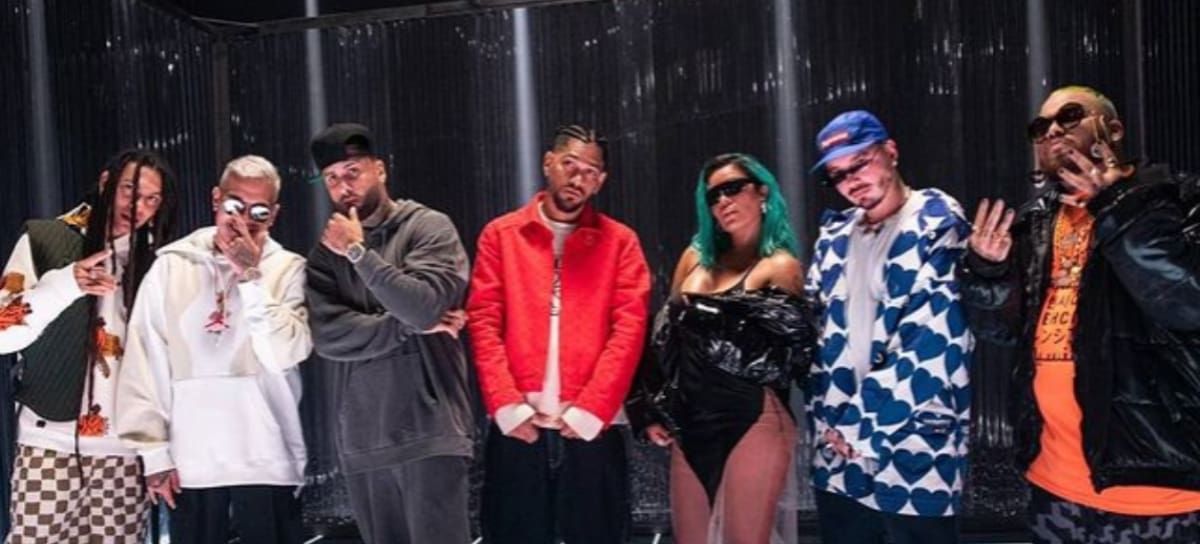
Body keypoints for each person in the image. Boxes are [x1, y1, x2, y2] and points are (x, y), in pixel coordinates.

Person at [960, 85, 1200, 542]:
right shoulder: (1036, 221)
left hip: (1155, 491)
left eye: (1070, 116)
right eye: (1041, 127)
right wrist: (988, 274)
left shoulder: (1177, 199)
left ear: (1114, 129)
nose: (1052, 131)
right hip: (1054, 488)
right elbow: (1004, 333)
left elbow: (1188, 303)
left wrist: (1115, 206)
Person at [466, 124, 651, 544]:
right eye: (569, 164)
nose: (578, 177)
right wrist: (506, 405)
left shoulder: (620, 242)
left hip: (593, 426)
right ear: (548, 162)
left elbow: (629, 330)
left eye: (590, 171)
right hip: (518, 422)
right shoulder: (501, 235)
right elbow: (484, 321)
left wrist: (592, 410)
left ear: (600, 181)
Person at [116, 155, 310, 544]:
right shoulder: (170, 266)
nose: (244, 220)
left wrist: (251, 277)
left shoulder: (289, 268)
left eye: (259, 211)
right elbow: (144, 360)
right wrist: (153, 454)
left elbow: (284, 354)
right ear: (216, 199)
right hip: (190, 464)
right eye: (235, 205)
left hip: (268, 457)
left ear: (274, 215)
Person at [806, 110, 973, 543]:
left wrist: (859, 426)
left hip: (915, 444)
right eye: (837, 175)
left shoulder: (937, 220)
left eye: (860, 162)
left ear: (891, 152)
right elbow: (813, 336)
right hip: (837, 451)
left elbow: (935, 342)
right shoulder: (833, 237)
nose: (851, 181)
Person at [304, 123, 475, 544]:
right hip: (364, 439)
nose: (344, 187)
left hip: (431, 432)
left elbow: (424, 305)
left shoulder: (428, 227)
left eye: (353, 172)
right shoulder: (325, 257)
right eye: (332, 178)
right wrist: (408, 324)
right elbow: (329, 338)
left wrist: (358, 253)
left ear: (379, 169)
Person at [632, 153, 813, 543]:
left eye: (733, 189)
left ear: (762, 192)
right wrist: (651, 407)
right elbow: (665, 339)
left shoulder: (780, 266)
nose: (723, 201)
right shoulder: (695, 258)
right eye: (713, 196)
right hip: (691, 420)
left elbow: (790, 358)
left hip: (752, 417)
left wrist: (714, 317)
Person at [0, 149, 177, 543]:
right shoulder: (46, 239)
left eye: (152, 199)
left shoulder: (158, 262)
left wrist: (156, 455)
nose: (138, 206)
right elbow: (2, 333)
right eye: (130, 190)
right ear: (105, 182)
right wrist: (65, 285)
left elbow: (159, 364)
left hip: (126, 451)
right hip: (49, 440)